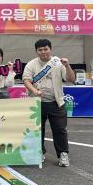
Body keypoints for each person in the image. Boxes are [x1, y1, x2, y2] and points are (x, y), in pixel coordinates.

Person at [23, 39, 75, 167]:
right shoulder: (31, 64)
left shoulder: (58, 63)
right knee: (37, 130)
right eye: (40, 50)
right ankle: (39, 152)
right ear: (36, 51)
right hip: (37, 102)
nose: (43, 52)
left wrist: (67, 66)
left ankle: (63, 154)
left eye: (45, 49)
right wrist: (35, 91)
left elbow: (70, 79)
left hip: (56, 102)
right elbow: (26, 80)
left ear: (50, 49)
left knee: (60, 130)